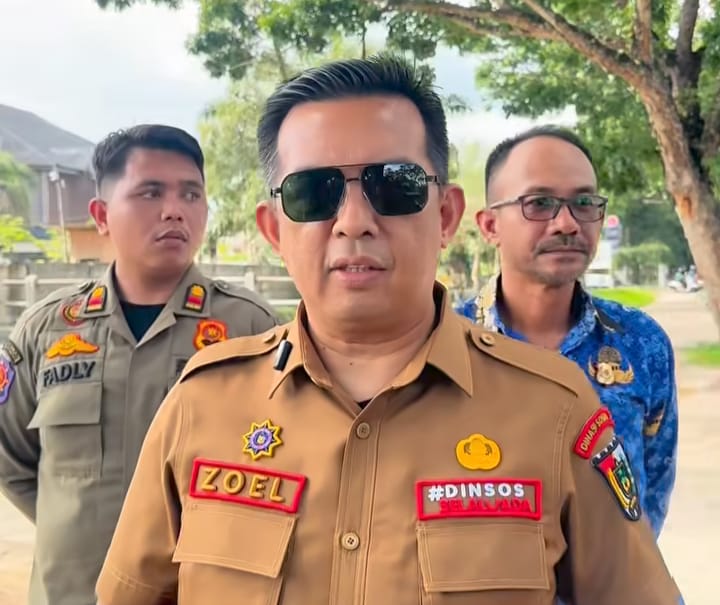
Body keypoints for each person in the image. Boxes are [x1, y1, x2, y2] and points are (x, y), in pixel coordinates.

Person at [95, 56, 680, 605]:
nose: (354, 222)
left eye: (394, 185)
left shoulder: (555, 409)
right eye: (314, 193)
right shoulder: (200, 405)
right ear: (274, 230)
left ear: (446, 214)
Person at [0, 124, 278, 605]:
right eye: (151, 193)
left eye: (191, 194)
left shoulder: (251, 328)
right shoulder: (46, 331)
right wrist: (73, 527)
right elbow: (10, 458)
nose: (174, 210)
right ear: (101, 215)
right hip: (72, 593)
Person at [455, 125, 678, 539]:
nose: (567, 223)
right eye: (539, 203)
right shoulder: (444, 344)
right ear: (489, 226)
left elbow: (651, 493)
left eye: (583, 202)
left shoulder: (641, 343)